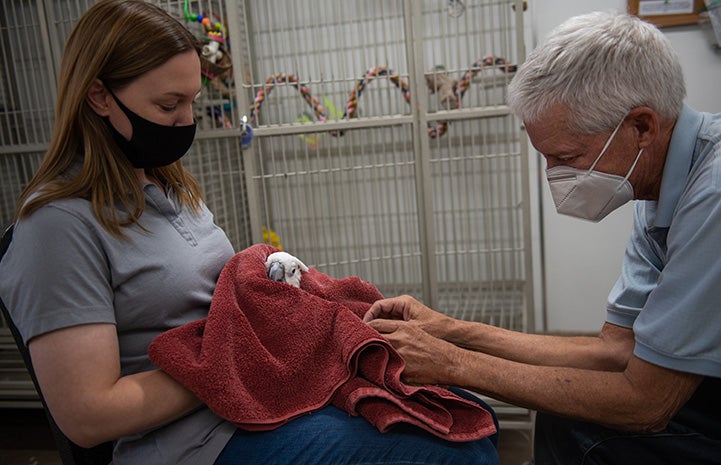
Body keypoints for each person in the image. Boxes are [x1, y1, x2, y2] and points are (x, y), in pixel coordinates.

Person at [0, 1, 500, 464]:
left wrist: (281, 305)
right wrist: (247, 357)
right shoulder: (56, 228)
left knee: (470, 412)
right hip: (194, 441)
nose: (186, 121)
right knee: (457, 452)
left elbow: (227, 300)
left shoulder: (169, 185)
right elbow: (89, 417)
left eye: (192, 101)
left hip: (256, 398)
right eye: (168, 105)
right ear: (98, 96)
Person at [364, 11, 721, 465]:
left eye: (567, 156)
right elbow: (615, 349)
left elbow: (645, 404)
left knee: (585, 431)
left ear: (642, 127)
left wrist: (453, 363)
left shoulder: (712, 194)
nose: (555, 176)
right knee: (561, 411)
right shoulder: (659, 188)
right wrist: (451, 330)